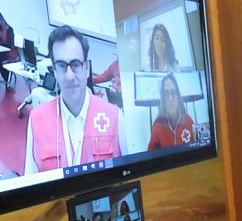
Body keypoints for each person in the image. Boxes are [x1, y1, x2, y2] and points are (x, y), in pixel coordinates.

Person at [24, 25, 127, 174]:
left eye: (76, 64)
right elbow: (31, 180)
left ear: (87, 68)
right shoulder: (36, 120)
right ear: (54, 71)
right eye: (61, 65)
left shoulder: (114, 117)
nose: (69, 76)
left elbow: (129, 176)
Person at [147, 73, 194, 149]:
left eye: (173, 92)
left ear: (178, 96)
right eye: (166, 94)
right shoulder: (157, 127)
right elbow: (151, 155)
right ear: (162, 99)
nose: (170, 98)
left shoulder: (188, 121)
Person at [0, 11, 15, 90]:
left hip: (8, 53)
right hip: (2, 52)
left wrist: (3, 31)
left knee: (1, 63)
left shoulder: (9, 29)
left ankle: (7, 82)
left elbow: (7, 42)